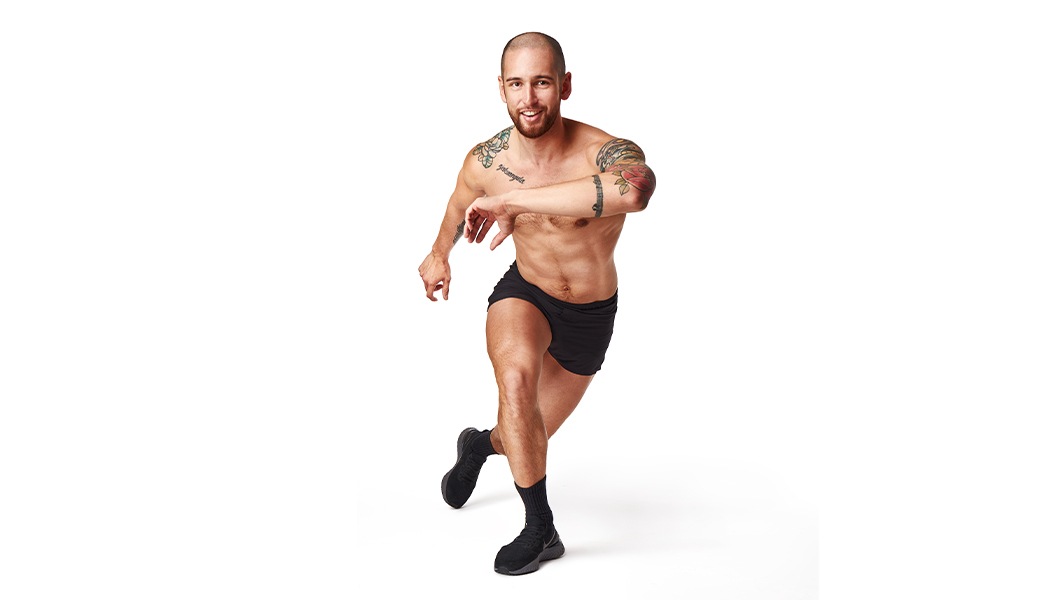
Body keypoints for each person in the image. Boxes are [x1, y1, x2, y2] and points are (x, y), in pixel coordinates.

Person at [417, 31, 657, 576]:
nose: (529, 98)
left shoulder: (602, 152)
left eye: (542, 83)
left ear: (565, 86)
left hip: (590, 314)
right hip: (524, 293)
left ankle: (480, 446)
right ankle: (540, 527)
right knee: (515, 381)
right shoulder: (487, 159)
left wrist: (512, 201)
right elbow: (458, 205)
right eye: (517, 84)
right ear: (501, 88)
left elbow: (635, 191)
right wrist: (438, 255)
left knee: (524, 433)